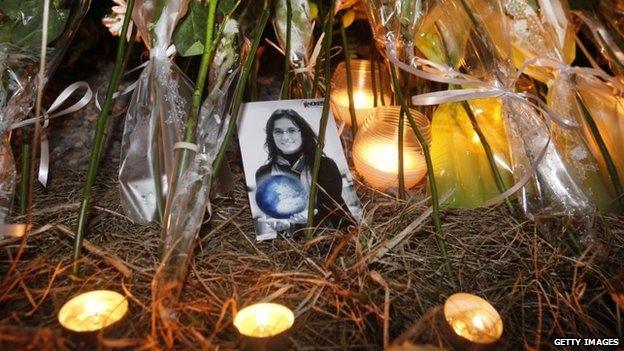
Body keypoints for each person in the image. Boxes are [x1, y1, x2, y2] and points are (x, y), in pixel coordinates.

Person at [255, 109, 350, 234]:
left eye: (292, 130)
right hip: (291, 242)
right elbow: (271, 208)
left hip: (332, 235)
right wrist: (280, 223)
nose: (285, 137)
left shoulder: (324, 166)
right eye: (278, 132)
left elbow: (333, 205)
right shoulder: (264, 173)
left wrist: (313, 213)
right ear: (271, 136)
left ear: (303, 133)